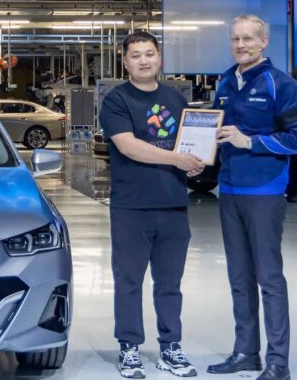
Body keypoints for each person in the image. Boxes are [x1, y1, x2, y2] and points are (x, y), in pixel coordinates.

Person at [207, 15, 297, 380]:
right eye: (236, 39)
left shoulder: (281, 84)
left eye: (248, 39)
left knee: (269, 278)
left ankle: (278, 362)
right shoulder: (224, 82)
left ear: (263, 42)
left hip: (264, 190)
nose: (241, 45)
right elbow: (214, 132)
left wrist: (250, 141)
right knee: (239, 276)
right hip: (229, 189)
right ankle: (246, 352)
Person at [98, 31, 205, 379]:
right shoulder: (116, 100)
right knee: (129, 280)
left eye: (149, 54)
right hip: (131, 207)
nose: (143, 60)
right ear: (125, 61)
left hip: (173, 204)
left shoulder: (176, 99)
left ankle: (170, 346)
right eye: (136, 55)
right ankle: (129, 347)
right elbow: (128, 146)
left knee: (170, 282)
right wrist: (177, 159)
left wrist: (196, 161)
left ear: (159, 58)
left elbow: (189, 145)